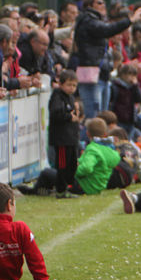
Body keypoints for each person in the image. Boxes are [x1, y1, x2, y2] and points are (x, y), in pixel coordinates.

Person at [74, 0, 141, 118]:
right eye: (100, 2)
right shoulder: (88, 21)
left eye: (104, 3)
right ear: (90, 6)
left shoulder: (97, 20)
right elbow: (108, 29)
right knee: (94, 117)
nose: (104, 5)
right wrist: (130, 20)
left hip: (103, 75)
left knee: (103, 117)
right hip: (93, 77)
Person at [49, 70, 83, 199]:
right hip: (62, 139)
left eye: (74, 85)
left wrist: (75, 113)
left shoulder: (70, 97)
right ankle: (61, 190)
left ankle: (69, 186)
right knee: (62, 165)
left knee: (72, 164)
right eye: (69, 85)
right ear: (61, 84)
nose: (72, 88)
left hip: (71, 138)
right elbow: (56, 113)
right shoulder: (57, 96)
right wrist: (69, 116)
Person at [75, 118, 122, 195]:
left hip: (84, 185)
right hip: (98, 187)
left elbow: (87, 168)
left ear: (88, 134)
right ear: (105, 134)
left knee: (49, 174)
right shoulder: (112, 151)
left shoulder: (93, 149)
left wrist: (72, 171)